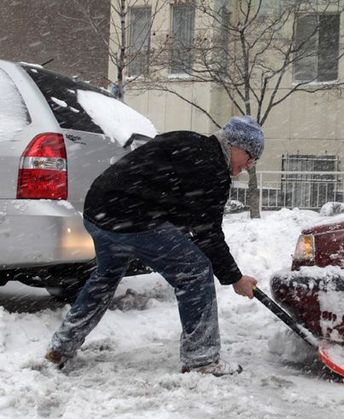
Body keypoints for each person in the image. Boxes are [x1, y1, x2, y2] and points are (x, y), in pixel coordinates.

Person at [45, 115, 264, 376]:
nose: (250, 164)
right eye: (250, 156)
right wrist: (234, 278)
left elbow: (176, 203)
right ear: (234, 144)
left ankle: (62, 345)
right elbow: (208, 234)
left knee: (106, 276)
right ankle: (202, 359)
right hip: (132, 216)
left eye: (254, 161)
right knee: (195, 272)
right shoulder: (212, 167)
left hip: (99, 209)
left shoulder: (189, 141)